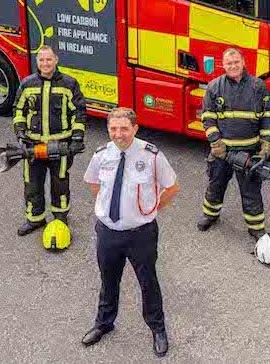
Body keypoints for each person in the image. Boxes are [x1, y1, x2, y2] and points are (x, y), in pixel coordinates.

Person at [81, 107, 179, 357]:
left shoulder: (151, 156)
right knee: (108, 280)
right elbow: (93, 183)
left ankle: (157, 329)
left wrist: (150, 209)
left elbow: (172, 187)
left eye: (124, 128)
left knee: (148, 283)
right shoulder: (102, 154)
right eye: (113, 128)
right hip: (108, 232)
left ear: (135, 128)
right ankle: (104, 323)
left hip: (141, 234)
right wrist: (110, 210)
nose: (118, 134)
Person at [197, 48, 270, 239]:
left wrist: (266, 145)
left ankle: (256, 227)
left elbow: (267, 117)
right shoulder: (215, 87)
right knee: (216, 185)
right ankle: (210, 215)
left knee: (251, 191)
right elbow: (207, 117)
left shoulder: (258, 86)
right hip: (222, 152)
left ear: (243, 62)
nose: (233, 66)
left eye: (236, 62)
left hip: (249, 151)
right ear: (223, 65)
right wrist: (216, 143)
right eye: (229, 63)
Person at [12, 45, 86, 235]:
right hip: (32, 145)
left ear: (56, 60)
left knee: (59, 183)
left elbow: (78, 112)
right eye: (41, 60)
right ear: (37, 62)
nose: (45, 63)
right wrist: (20, 132)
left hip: (61, 147)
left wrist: (77, 138)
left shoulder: (69, 84)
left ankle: (60, 217)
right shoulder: (27, 84)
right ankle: (34, 219)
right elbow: (18, 110)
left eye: (49, 59)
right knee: (32, 184)